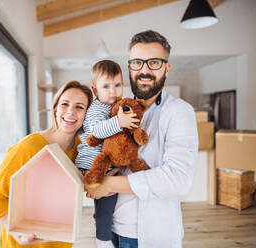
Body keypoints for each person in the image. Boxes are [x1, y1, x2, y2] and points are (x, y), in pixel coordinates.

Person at [85, 30, 199, 248]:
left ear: (167, 68)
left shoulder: (179, 111)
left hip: (148, 234)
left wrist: (106, 183)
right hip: (110, 229)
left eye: (154, 62)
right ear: (129, 68)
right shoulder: (115, 109)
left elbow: (178, 178)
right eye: (137, 62)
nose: (144, 70)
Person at [0, 81, 93, 248]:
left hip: (60, 243)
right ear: (56, 109)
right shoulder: (28, 147)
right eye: (64, 104)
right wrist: (17, 232)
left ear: (87, 114)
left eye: (79, 107)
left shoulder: (82, 151)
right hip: (21, 244)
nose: (70, 112)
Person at [75, 60, 139, 248]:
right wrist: (119, 122)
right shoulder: (97, 108)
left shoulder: (114, 106)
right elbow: (96, 131)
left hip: (102, 162)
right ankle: (102, 239)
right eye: (106, 86)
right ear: (95, 90)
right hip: (93, 164)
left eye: (117, 85)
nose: (113, 91)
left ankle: (99, 219)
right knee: (109, 198)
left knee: (105, 203)